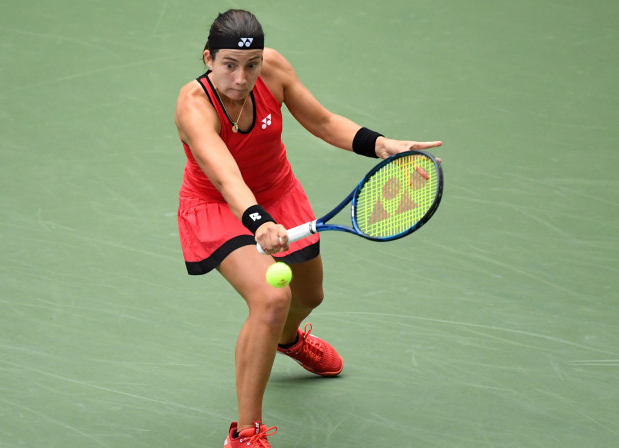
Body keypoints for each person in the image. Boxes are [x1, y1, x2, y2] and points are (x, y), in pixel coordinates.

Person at [174, 9, 442, 447]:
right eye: (229, 64)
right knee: (270, 297)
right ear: (208, 58)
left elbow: (321, 120)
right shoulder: (193, 105)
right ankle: (245, 434)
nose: (242, 77)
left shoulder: (274, 70)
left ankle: (288, 340)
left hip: (280, 193)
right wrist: (260, 223)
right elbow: (226, 177)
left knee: (309, 295)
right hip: (220, 206)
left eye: (251, 64)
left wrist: (382, 144)